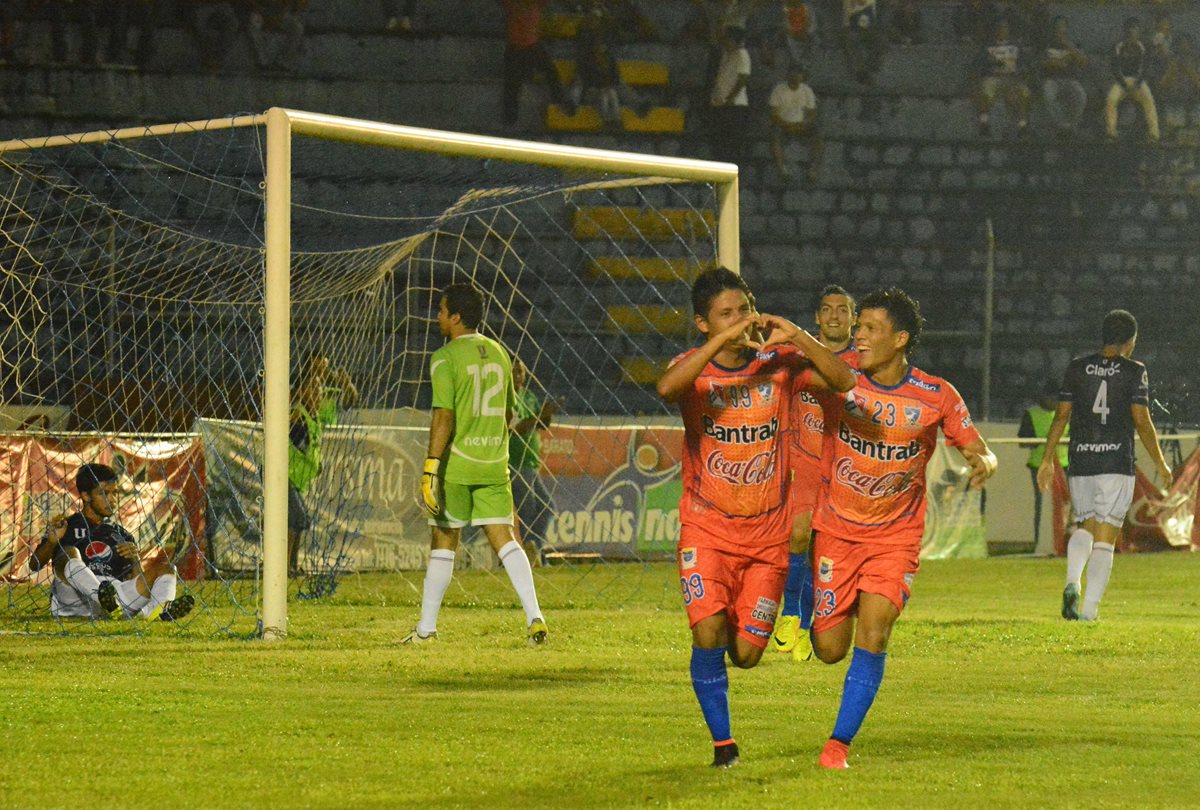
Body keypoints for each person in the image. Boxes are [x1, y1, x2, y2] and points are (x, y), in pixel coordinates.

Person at [656, 267, 856, 768]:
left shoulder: (779, 364)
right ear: (703, 324)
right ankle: (724, 746)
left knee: (745, 653)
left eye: (744, 309)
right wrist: (718, 343)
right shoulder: (693, 368)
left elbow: (844, 379)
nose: (740, 321)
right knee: (706, 634)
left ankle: (722, 648)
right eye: (726, 315)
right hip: (706, 528)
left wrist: (802, 337)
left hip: (767, 538)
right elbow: (666, 388)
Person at [810, 288, 997, 769]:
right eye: (859, 327)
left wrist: (986, 461)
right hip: (836, 531)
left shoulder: (936, 395)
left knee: (875, 634)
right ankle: (821, 603)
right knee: (830, 649)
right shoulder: (843, 375)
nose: (860, 335)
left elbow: (978, 446)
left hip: (895, 537)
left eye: (870, 328)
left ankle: (838, 745)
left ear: (900, 338)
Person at [404, 283, 548, 645]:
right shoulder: (500, 353)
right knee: (505, 538)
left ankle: (426, 630)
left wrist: (431, 465)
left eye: (441, 310)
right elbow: (509, 412)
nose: (437, 316)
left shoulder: (445, 357)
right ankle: (535, 617)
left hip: (459, 464)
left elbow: (443, 417)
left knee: (444, 539)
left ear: (455, 317)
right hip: (494, 462)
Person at [1037, 309, 1172, 622]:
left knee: (1085, 524)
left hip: (1082, 459)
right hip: (1115, 461)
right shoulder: (1134, 371)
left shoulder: (1076, 367)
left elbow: (1061, 416)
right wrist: (1161, 464)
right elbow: (1141, 420)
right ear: (1130, 341)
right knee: (1106, 536)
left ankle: (1072, 583)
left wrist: (1047, 459)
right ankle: (1089, 612)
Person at [771, 284, 857, 662]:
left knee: (823, 552)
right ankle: (790, 610)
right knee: (798, 534)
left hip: (844, 468)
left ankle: (805, 625)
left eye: (842, 310)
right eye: (827, 309)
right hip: (803, 461)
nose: (834, 315)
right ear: (817, 318)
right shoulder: (794, 355)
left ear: (853, 320)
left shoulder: (862, 362)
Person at [27, 463, 194, 622]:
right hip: (74, 598)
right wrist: (51, 542)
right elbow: (34, 565)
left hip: (114, 599)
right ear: (86, 496)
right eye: (104, 493)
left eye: (114, 493)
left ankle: (160, 611)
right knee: (68, 553)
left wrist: (135, 559)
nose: (112, 500)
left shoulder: (122, 535)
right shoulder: (66, 525)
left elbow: (135, 581)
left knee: (167, 568)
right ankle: (103, 597)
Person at [287, 353, 359, 577]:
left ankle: (290, 565)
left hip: (296, 478)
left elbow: (349, 402)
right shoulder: (296, 414)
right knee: (298, 519)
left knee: (298, 522)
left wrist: (346, 385)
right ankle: (282, 566)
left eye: (319, 389)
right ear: (301, 391)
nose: (319, 393)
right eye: (313, 388)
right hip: (281, 475)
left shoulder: (315, 414)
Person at [510, 356, 557, 566]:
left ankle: (534, 551)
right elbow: (513, 429)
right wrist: (538, 416)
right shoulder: (505, 398)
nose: (518, 375)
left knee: (546, 507)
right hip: (514, 461)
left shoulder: (528, 396)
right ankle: (531, 554)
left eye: (520, 371)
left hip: (530, 461)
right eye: (514, 371)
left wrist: (547, 414)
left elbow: (541, 424)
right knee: (528, 509)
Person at [498, 0, 575, 127]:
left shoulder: (532, 3)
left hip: (530, 45)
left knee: (550, 71)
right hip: (518, 47)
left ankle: (559, 99)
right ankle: (510, 119)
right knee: (513, 84)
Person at [1018, 383, 1067, 549]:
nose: (1054, 401)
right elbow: (1023, 441)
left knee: (1067, 506)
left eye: (1057, 398)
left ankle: (1066, 541)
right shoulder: (1031, 414)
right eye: (1051, 397)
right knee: (1043, 506)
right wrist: (1045, 441)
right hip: (1039, 466)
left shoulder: (1067, 412)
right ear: (1043, 397)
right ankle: (1041, 542)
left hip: (1065, 466)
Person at [1106, 16, 1160, 144]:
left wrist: (1137, 84)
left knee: (1149, 100)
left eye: (1134, 31)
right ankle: (1111, 133)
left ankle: (1154, 134)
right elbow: (1114, 69)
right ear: (1125, 32)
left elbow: (1145, 69)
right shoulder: (1117, 47)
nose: (1131, 34)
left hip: (1137, 82)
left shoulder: (1143, 47)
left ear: (1138, 33)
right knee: (1111, 99)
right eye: (1129, 32)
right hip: (1121, 82)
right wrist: (1124, 85)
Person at [975, 19, 1031, 138]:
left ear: (1008, 30)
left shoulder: (1016, 46)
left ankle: (1023, 126)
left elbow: (1024, 65)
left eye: (1004, 28)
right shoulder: (988, 47)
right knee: (985, 89)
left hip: (1013, 78)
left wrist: (1018, 72)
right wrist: (989, 63)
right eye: (999, 28)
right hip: (993, 77)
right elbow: (978, 64)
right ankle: (984, 123)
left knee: (1024, 92)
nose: (1002, 30)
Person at [768, 63, 823, 182]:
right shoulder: (779, 90)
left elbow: (812, 113)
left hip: (801, 125)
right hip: (782, 124)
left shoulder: (807, 90)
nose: (796, 77)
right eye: (793, 74)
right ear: (787, 75)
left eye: (799, 74)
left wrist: (804, 123)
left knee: (818, 132)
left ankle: (812, 169)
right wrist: (786, 124)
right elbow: (773, 114)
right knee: (774, 134)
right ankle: (782, 168)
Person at [708, 25, 752, 164]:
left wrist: (730, 99)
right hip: (721, 103)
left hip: (735, 105)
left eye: (727, 37)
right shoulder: (726, 55)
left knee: (731, 144)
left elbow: (743, 78)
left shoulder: (742, 54)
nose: (724, 40)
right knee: (719, 143)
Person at [1040, 15, 1088, 137]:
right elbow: (1042, 63)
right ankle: (1061, 126)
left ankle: (1070, 125)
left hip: (1070, 80)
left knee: (1080, 95)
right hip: (1051, 80)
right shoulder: (1046, 44)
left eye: (1062, 27)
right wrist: (1055, 63)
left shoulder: (1074, 45)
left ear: (1066, 29)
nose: (1059, 30)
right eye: (1057, 27)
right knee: (1047, 94)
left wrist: (1070, 48)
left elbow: (1083, 62)